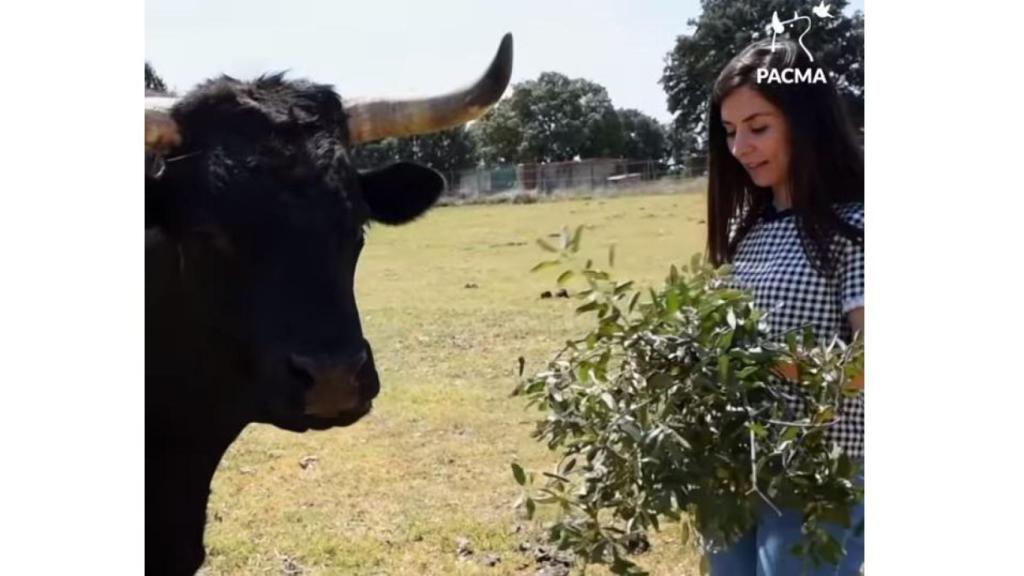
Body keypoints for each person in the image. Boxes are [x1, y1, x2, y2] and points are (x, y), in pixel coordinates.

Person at [703, 37, 865, 575]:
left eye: (758, 126)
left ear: (806, 121)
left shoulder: (858, 228)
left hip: (821, 475)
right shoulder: (742, 231)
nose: (740, 147)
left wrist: (764, 363)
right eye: (729, 132)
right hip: (735, 466)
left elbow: (869, 364)